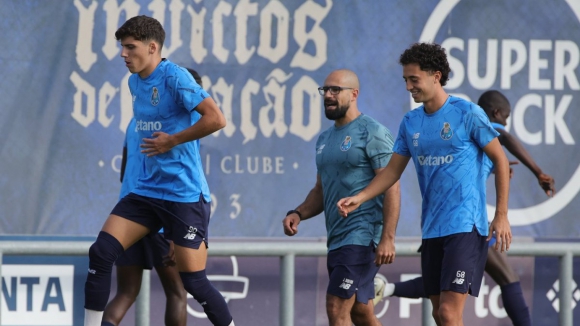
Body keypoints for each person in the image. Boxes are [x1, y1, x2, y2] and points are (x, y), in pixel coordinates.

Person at [337, 42, 512, 326]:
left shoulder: (467, 113)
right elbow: (392, 172)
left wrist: (501, 215)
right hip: (432, 229)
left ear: (436, 75)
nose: (408, 86)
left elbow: (501, 161)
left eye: (414, 79)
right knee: (437, 314)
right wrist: (360, 197)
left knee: (448, 313)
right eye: (405, 79)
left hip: (466, 227)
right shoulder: (410, 122)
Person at [83, 15, 234, 326]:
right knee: (100, 253)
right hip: (145, 192)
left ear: (152, 48)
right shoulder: (134, 81)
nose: (122, 54)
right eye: (121, 47)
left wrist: (173, 141)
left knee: (192, 283)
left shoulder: (176, 77)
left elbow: (217, 119)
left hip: (183, 196)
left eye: (129, 47)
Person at [373, 90, 556, 326]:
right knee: (491, 285)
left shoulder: (472, 143)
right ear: (496, 113)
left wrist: (494, 165)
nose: (505, 124)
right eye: (506, 117)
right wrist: (537, 171)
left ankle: (387, 288)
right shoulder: (484, 125)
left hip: (455, 225)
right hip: (462, 225)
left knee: (447, 302)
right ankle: (387, 288)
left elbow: (478, 165)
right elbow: (504, 136)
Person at [282, 69, 401, 326]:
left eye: (336, 90)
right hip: (338, 238)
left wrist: (387, 239)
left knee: (336, 308)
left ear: (354, 94)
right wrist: (298, 213)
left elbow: (392, 184)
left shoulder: (373, 132)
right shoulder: (324, 139)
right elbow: (320, 190)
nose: (328, 95)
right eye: (325, 90)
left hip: (363, 235)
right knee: (360, 310)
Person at [101, 68, 206, 326]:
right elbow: (181, 180)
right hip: (162, 214)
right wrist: (174, 231)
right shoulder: (186, 124)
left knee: (125, 293)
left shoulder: (134, 122)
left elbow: (125, 172)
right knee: (177, 292)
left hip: (130, 212)